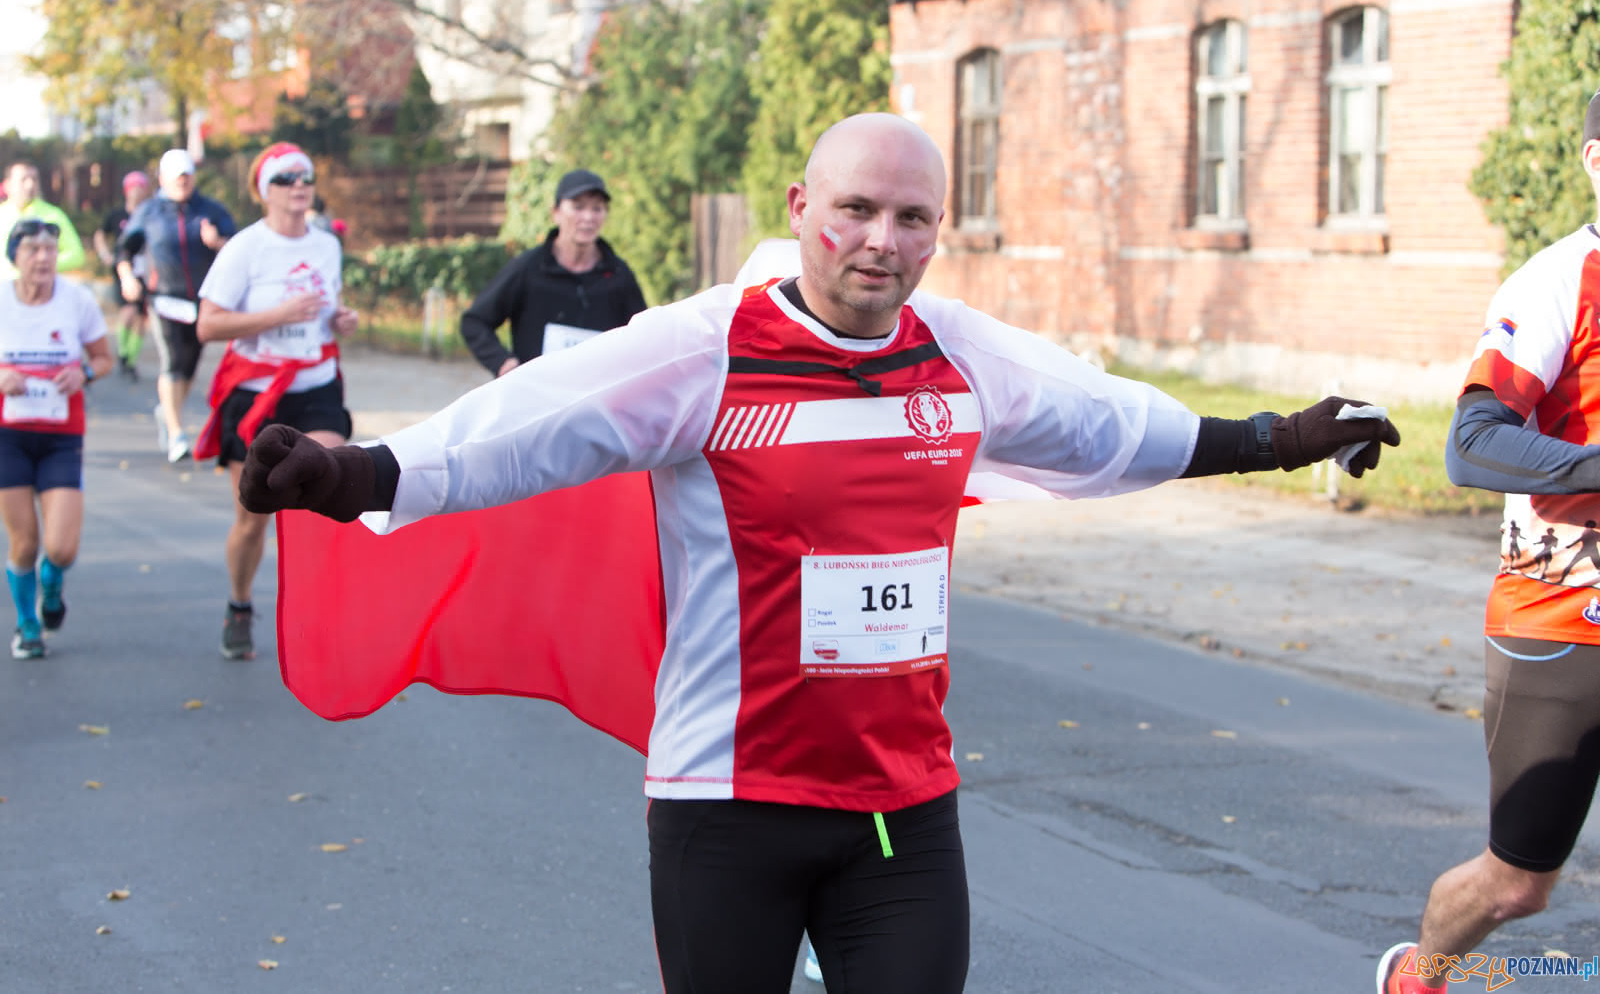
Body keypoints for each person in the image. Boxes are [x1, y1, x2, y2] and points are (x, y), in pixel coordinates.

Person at [237, 113, 1400, 994]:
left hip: (901, 808)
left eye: (912, 219)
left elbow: (1102, 421)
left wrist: (1279, 437)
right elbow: (530, 427)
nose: (881, 244)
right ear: (800, 205)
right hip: (728, 804)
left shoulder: (955, 353)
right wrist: (355, 475)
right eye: (854, 210)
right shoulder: (708, 350)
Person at [1376, 91, 1600, 993]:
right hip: (1559, 618)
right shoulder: (1559, 281)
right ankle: (1418, 977)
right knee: (1517, 885)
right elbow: (1472, 443)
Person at [194, 142, 359, 661]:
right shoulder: (245, 248)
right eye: (286, 177)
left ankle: (313, 616)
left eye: (306, 175)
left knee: (322, 492)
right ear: (265, 190)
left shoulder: (327, 244)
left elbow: (325, 309)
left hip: (316, 387)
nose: (299, 184)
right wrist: (277, 315)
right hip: (257, 395)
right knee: (253, 517)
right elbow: (208, 325)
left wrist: (340, 321)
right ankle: (240, 604)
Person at [0, 217, 114, 659]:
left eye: (51, 248)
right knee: (24, 540)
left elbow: (102, 358)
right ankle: (28, 626)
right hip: (8, 434)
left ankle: (52, 586)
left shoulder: (76, 301)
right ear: (15, 257)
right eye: (32, 249)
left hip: (61, 437)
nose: (44, 257)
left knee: (61, 548)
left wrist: (83, 372)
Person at [459, 168, 646, 377]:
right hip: (537, 399)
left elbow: (642, 336)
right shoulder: (529, 268)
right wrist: (503, 363)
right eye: (578, 207)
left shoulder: (618, 274)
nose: (588, 217)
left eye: (597, 208)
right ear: (556, 212)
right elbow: (474, 321)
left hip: (595, 400)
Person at [119, 149, 236, 464]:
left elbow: (239, 248)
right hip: (164, 297)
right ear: (163, 180)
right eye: (176, 179)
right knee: (171, 361)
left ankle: (167, 411)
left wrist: (217, 243)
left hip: (201, 301)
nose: (183, 183)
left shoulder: (210, 210)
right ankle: (176, 433)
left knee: (189, 365)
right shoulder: (149, 212)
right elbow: (125, 250)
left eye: (187, 177)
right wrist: (127, 276)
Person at [95, 171, 153, 380]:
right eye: (133, 187)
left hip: (145, 271)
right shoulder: (117, 215)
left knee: (140, 319)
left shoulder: (149, 214)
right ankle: (121, 352)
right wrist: (105, 254)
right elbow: (101, 234)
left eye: (141, 187)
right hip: (123, 270)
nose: (137, 191)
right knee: (128, 312)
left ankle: (130, 360)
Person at [0, 162, 86, 273]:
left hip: (40, 288)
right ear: (8, 185)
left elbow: (76, 255)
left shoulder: (54, 215)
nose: (30, 184)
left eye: (34, 179)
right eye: (23, 179)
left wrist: (40, 266)